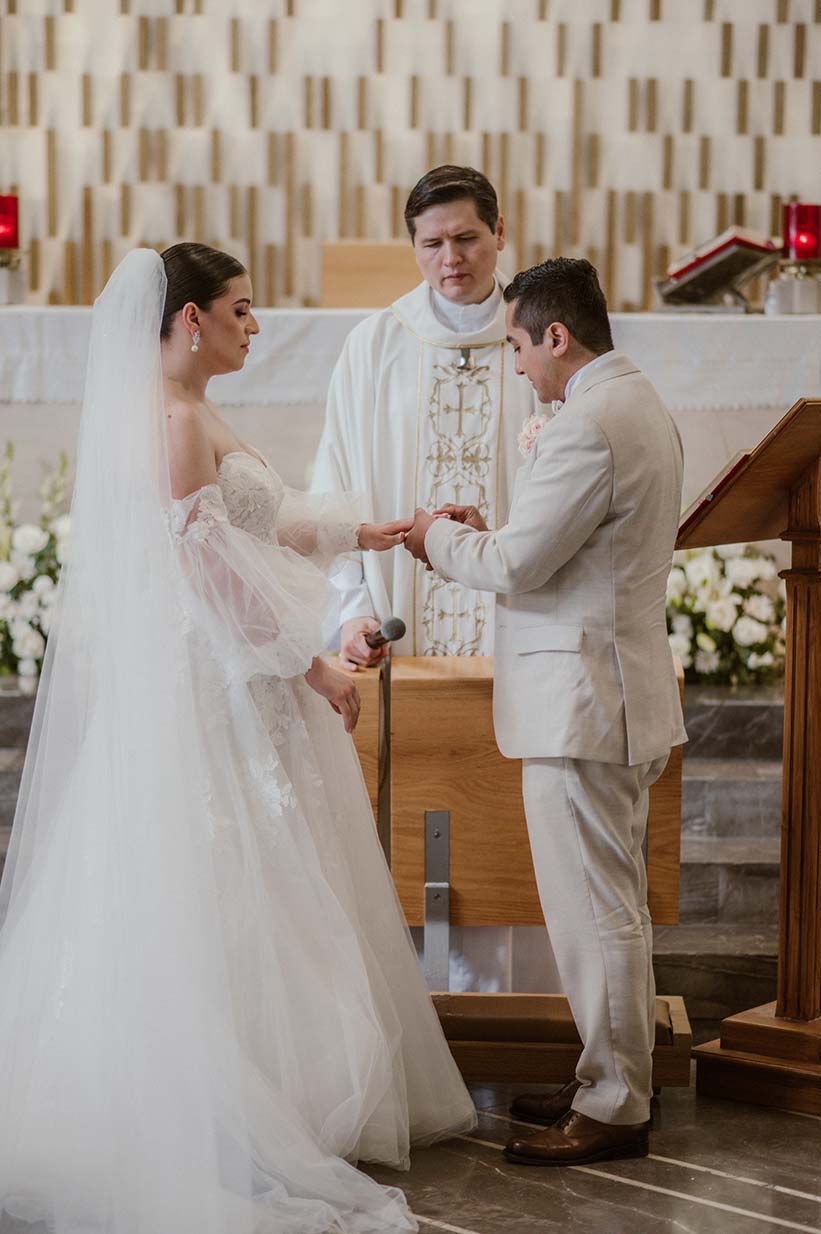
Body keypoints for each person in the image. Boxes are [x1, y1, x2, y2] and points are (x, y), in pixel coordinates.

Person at [0, 244, 475, 1234]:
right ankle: (226, 1110)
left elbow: (267, 523)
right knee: (224, 885)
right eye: (240, 310)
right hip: (212, 684)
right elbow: (207, 574)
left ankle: (281, 1099)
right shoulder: (172, 421)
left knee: (272, 886)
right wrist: (310, 659)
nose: (254, 326)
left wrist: (376, 530)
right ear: (186, 322)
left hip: (238, 674)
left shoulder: (194, 411)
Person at [404, 258, 686, 1166]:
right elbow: (561, 548)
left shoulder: (587, 425)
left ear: (556, 336)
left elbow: (518, 565)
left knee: (595, 912)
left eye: (520, 345)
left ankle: (613, 1104)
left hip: (581, 702)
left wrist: (433, 537)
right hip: (614, 688)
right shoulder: (631, 402)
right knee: (613, 906)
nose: (519, 366)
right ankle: (611, 1074)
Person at [312, 165, 537, 667]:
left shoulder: (540, 338)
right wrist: (353, 610)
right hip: (394, 617)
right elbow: (336, 483)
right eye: (431, 244)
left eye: (465, 238)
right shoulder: (374, 346)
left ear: (499, 231)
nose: (450, 259)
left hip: (520, 623)